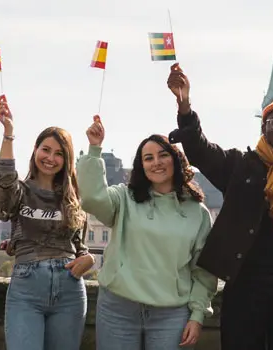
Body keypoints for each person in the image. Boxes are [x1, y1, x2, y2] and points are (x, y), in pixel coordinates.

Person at [164, 63, 273, 350]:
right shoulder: (242, 165)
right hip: (245, 287)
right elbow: (199, 150)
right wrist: (185, 107)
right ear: (264, 126)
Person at [78, 116, 216, 350]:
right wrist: (94, 149)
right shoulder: (124, 197)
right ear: (141, 165)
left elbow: (204, 270)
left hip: (171, 313)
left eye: (163, 155)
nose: (156, 163)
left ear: (176, 160)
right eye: (148, 158)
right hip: (118, 307)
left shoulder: (198, 213)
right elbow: (92, 199)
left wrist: (197, 314)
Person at [0, 96, 93, 350]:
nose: (50, 158)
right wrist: (8, 133)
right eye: (45, 149)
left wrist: (88, 259)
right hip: (26, 288)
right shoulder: (20, 191)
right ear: (35, 150)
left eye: (59, 154)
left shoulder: (73, 197)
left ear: (66, 160)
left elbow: (79, 245)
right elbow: (3, 202)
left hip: (69, 289)